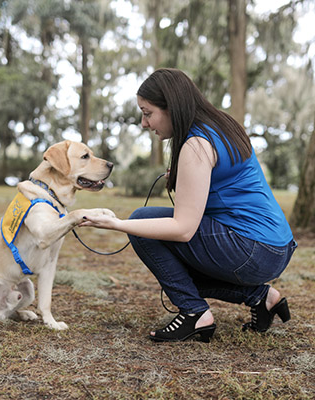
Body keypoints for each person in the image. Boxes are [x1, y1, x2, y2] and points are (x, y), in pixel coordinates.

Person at [80, 68, 297, 343]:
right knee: (166, 255)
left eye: (148, 113)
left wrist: (118, 224)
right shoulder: (221, 126)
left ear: (171, 107)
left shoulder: (196, 144)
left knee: (143, 227)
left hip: (253, 248)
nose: (144, 123)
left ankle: (195, 313)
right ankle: (263, 298)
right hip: (274, 246)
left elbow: (183, 229)